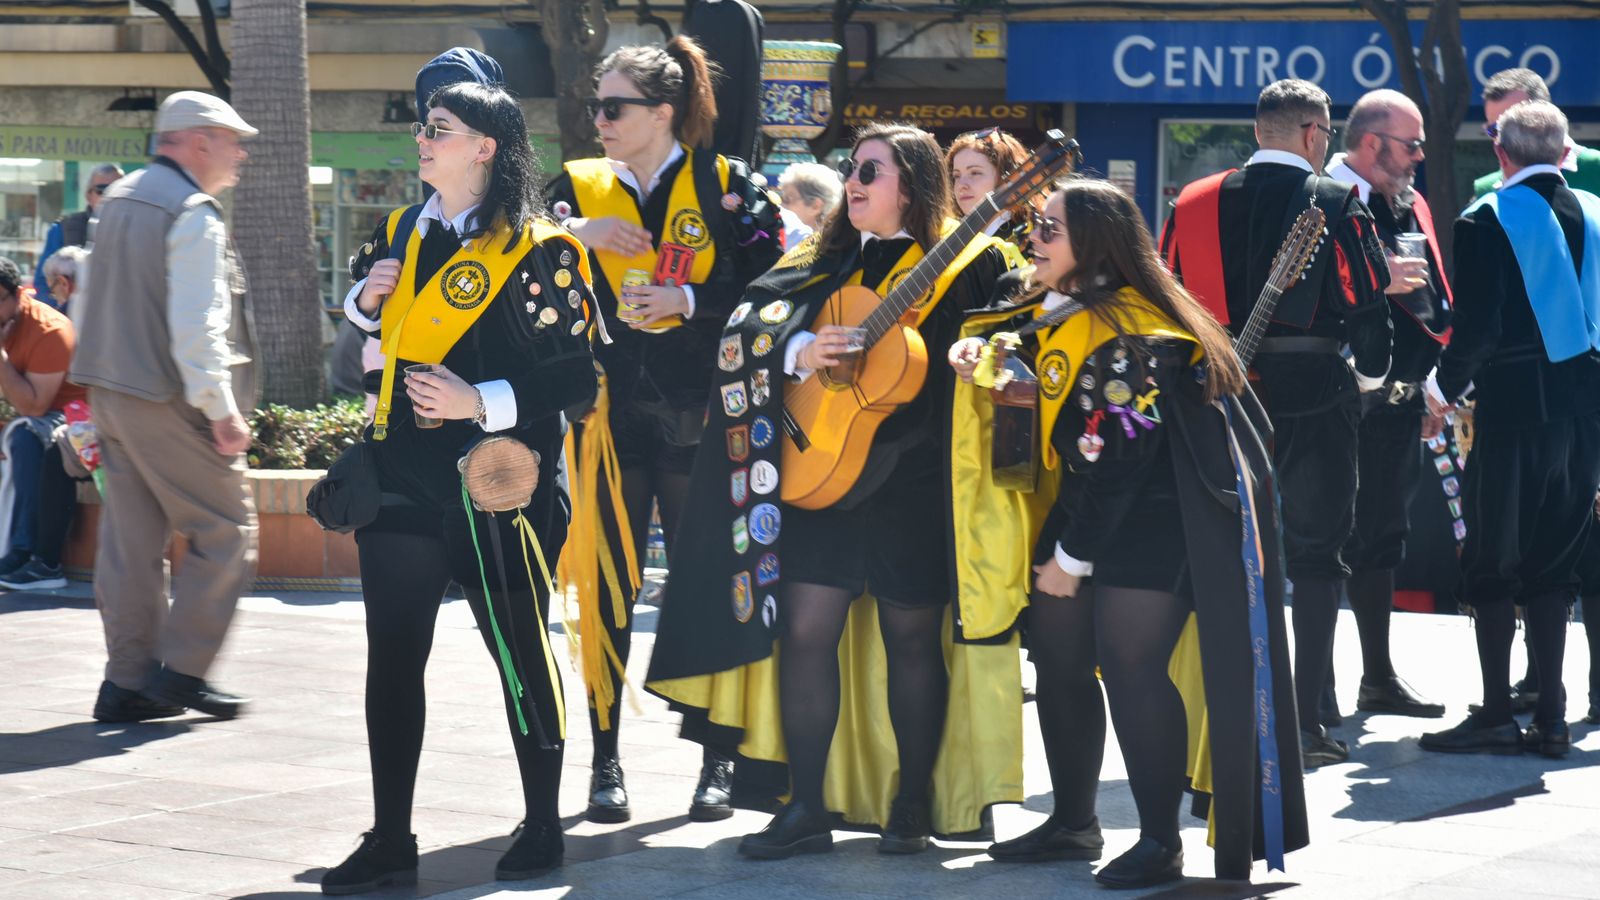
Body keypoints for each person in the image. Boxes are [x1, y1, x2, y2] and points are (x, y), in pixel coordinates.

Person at [646, 122, 1018, 859]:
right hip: (820, 480)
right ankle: (806, 806)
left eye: (871, 172)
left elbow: (1009, 352)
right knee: (804, 637)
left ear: (912, 185)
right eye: (851, 168)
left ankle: (912, 804)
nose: (853, 181)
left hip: (917, 484)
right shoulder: (820, 255)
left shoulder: (975, 261)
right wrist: (800, 350)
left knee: (914, 642)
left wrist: (983, 357)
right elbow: (744, 330)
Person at [950, 178, 1307, 886]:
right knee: (1056, 657)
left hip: (1157, 524)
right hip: (1089, 504)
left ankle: (1156, 840)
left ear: (1095, 244)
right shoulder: (1068, 305)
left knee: (1131, 664)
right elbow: (1017, 342)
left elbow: (1123, 460)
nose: (1033, 241)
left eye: (1049, 229)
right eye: (1035, 227)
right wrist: (979, 355)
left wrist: (1071, 559)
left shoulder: (1137, 332)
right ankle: (1072, 823)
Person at [320, 82, 597, 893]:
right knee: (392, 660)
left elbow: (578, 380)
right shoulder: (402, 229)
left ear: (485, 147)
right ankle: (391, 835)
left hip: (498, 484)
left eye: (439, 129)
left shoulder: (544, 246)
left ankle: (543, 823)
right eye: (422, 127)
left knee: (517, 651)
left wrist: (482, 403)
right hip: (404, 474)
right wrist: (365, 309)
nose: (421, 139)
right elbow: (376, 342)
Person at [544, 35, 782, 825]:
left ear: (663, 113)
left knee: (705, 583)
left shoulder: (729, 187)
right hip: (607, 415)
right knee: (607, 583)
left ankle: (717, 762)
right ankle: (604, 762)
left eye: (613, 107)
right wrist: (576, 237)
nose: (599, 120)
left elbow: (780, 287)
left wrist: (691, 302)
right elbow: (511, 265)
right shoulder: (573, 190)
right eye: (594, 107)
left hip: (702, 414)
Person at [1161, 79, 1392, 769]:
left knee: (1226, 553)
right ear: (1316, 135)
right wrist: (1371, 378)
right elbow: (1366, 303)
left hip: (1217, 395)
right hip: (1315, 392)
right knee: (1319, 554)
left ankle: (1224, 711)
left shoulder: (1193, 202)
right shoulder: (1335, 201)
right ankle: (1308, 715)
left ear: (1259, 130)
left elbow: (1167, 298)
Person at [67, 91, 259, 725]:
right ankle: (182, 672)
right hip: (166, 397)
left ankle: (126, 682)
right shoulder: (192, 212)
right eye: (232, 140)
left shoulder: (119, 199)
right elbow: (198, 328)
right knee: (227, 529)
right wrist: (221, 408)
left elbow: (95, 300)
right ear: (197, 141)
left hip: (109, 393)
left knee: (131, 542)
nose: (241, 153)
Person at [1419, 101, 1600, 759]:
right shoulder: (1596, 213)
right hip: (1583, 418)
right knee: (1556, 566)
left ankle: (1498, 713)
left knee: (1491, 561)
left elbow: (1481, 330)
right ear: (1563, 152)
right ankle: (1552, 716)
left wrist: (1438, 391)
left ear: (1501, 154)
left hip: (1513, 413)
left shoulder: (1486, 218)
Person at [1323, 90, 1450, 722]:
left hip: (1399, 404)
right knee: (1325, 542)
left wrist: (1435, 383)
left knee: (1384, 540)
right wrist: (1377, 277)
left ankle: (1377, 677)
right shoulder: (1322, 197)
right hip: (1337, 403)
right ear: (1371, 142)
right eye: (1410, 145)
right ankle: (1313, 690)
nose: (1419, 157)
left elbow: (1434, 298)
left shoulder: (1408, 201)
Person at [0, 255, 88, 591]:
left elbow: (34, 406)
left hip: (69, 418)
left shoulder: (50, 330)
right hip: (21, 416)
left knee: (26, 439)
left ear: (19, 293)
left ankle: (26, 551)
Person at [1473, 69, 1600, 199]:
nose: (1505, 138)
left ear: (1546, 115)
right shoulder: (1487, 190)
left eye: (1518, 125)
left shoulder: (1595, 168)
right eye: (1494, 129)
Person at [31, 164, 123, 309]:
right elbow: (44, 285)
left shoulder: (134, 232)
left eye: (118, 190)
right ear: (89, 195)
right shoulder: (64, 229)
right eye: (102, 191)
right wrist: (64, 314)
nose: (110, 197)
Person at [946, 127, 1032, 261]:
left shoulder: (1030, 239)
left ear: (1006, 176)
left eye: (975, 173)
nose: (962, 185)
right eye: (956, 175)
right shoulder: (952, 237)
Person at [776, 161, 841, 247]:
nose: (780, 205)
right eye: (781, 198)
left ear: (815, 206)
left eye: (787, 199)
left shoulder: (831, 248)